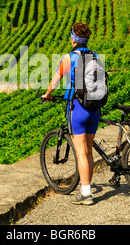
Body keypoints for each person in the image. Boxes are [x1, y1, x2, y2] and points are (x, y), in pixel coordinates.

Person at [42, 22, 100, 206]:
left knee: (81, 152)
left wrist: (47, 94)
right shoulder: (95, 56)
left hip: (78, 108)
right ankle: (87, 186)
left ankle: (86, 194)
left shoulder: (69, 57)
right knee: (89, 151)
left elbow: (55, 80)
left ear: (73, 38)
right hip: (95, 108)